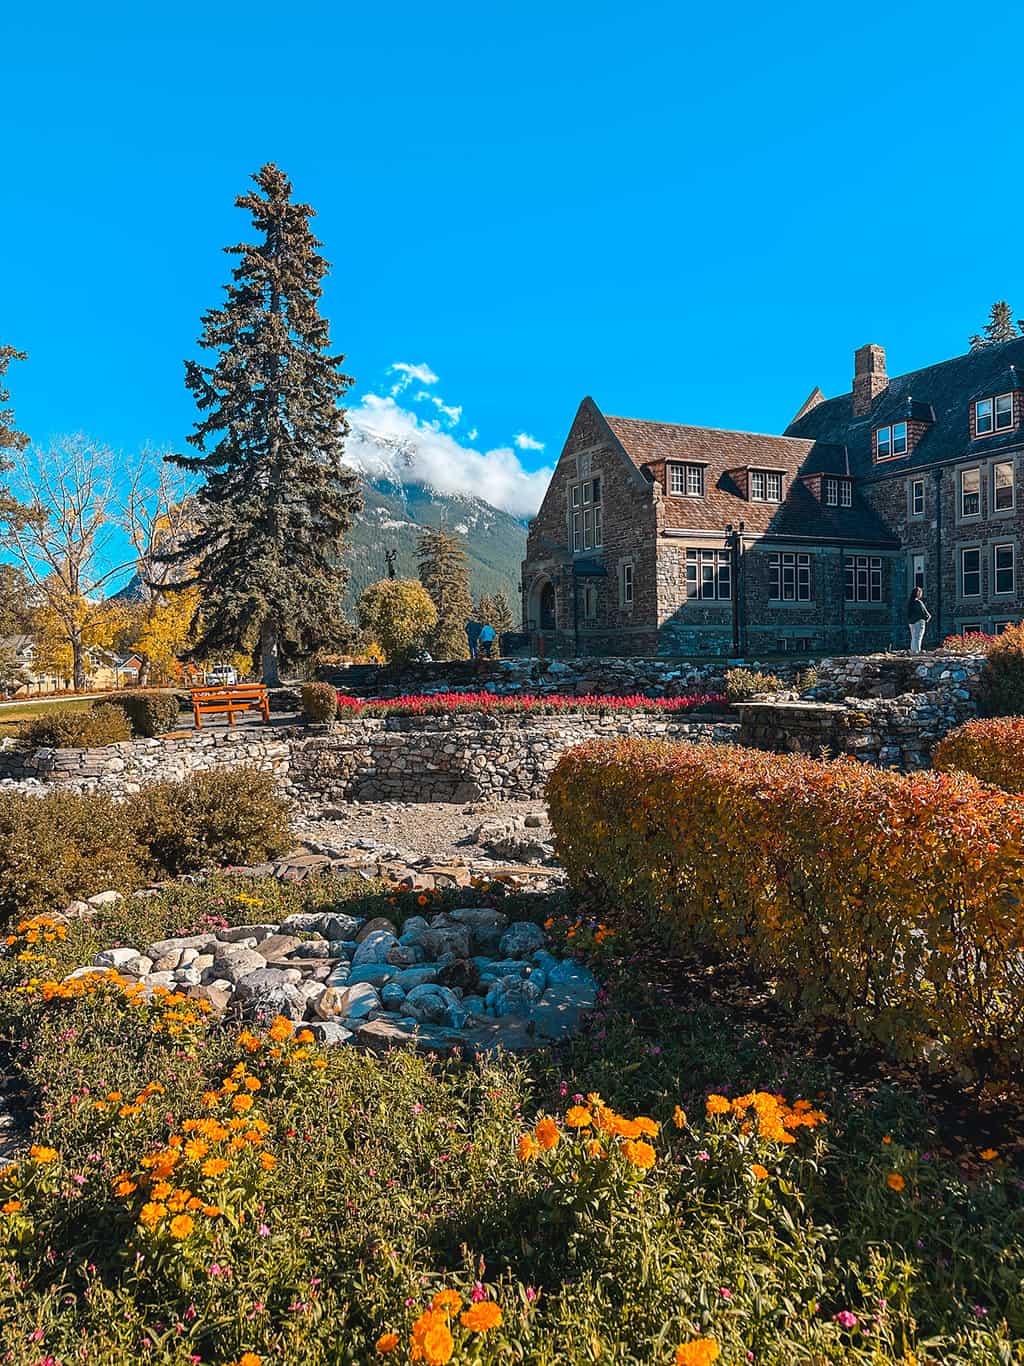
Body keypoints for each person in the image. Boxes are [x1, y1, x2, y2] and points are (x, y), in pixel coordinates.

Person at [907, 586, 931, 652]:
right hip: (919, 622)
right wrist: (927, 617)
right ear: (918, 593)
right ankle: (917, 652)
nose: (921, 594)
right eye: (920, 592)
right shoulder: (918, 602)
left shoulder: (910, 602)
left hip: (911, 622)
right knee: (918, 637)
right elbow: (924, 612)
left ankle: (913, 651)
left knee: (913, 637)